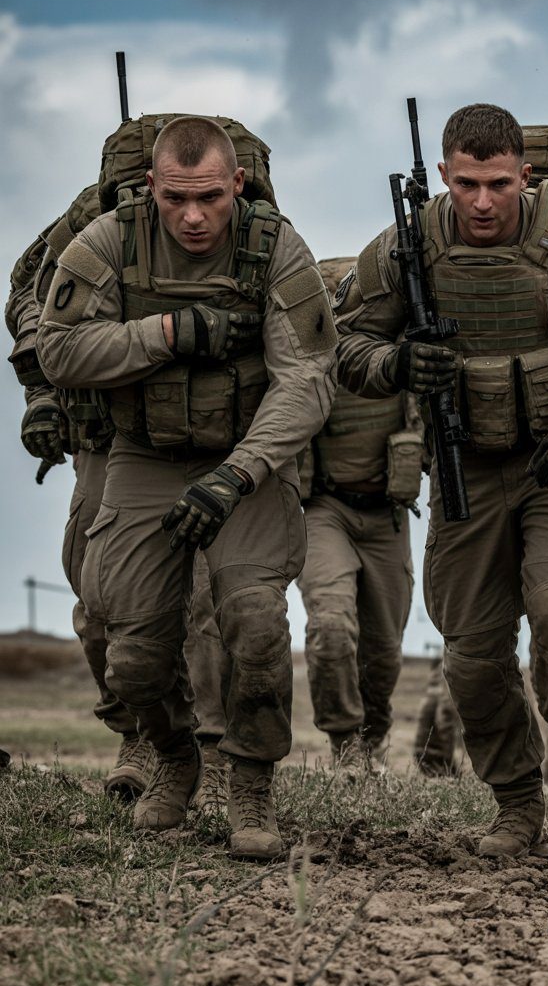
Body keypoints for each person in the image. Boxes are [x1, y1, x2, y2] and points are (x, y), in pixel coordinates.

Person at [335, 102, 548, 856]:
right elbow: (344, 344)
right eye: (465, 185)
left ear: (525, 174)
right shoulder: (406, 248)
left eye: (496, 184)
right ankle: (516, 799)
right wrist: (396, 364)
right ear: (446, 177)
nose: (481, 202)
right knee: (472, 654)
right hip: (465, 468)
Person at [37, 115, 337, 859]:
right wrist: (170, 334)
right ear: (152, 187)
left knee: (256, 625)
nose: (194, 216)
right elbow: (58, 349)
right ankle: (174, 756)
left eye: (210, 197)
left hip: (247, 462)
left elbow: (307, 379)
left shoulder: (276, 248)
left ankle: (253, 784)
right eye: (177, 199)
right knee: (130, 654)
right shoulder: (109, 240)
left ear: (238, 183)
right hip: (144, 455)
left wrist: (238, 474)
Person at [8, 186, 233, 812]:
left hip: (205, 440)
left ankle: (211, 752)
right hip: (110, 438)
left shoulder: (238, 237)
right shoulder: (83, 242)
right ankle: (140, 734)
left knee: (205, 606)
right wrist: (42, 403)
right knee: (96, 596)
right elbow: (37, 326)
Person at [297, 257, 419, 767]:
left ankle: (373, 738)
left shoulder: (403, 354)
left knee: (384, 651)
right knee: (330, 626)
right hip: (326, 510)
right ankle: (345, 741)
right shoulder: (304, 364)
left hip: (388, 515)